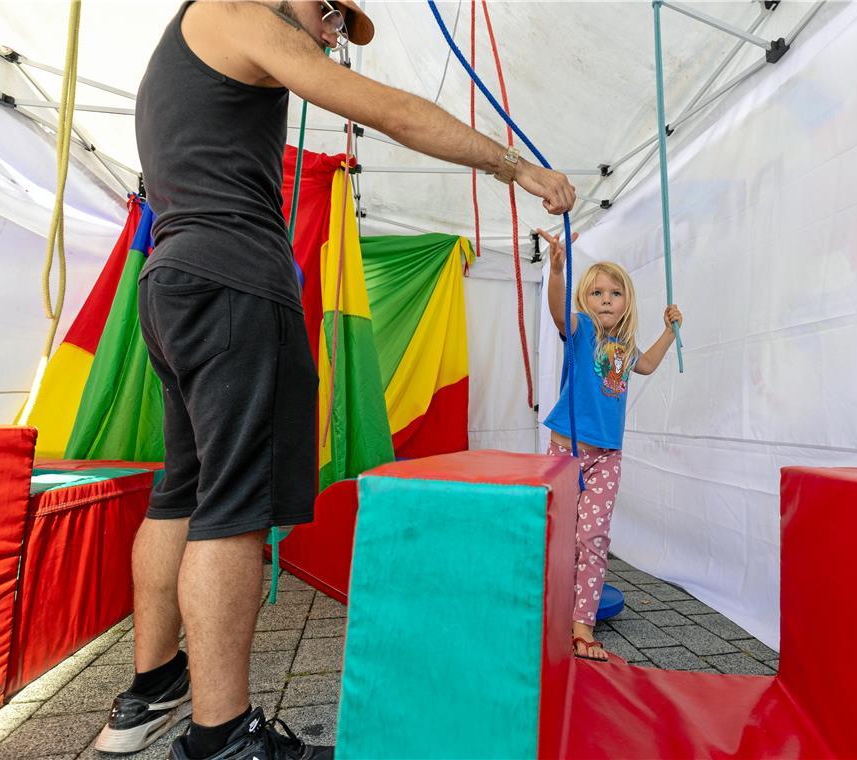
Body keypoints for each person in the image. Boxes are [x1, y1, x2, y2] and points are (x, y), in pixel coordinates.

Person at [93, 2, 576, 758]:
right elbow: (390, 109)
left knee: (182, 488)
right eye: (329, 16)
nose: (331, 35)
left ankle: (150, 689)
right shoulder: (238, 13)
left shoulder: (183, 46)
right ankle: (221, 737)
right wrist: (518, 168)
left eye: (341, 29)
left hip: (174, 277)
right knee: (234, 502)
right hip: (231, 281)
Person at [537, 229, 682, 663]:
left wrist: (670, 331)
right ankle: (547, 607)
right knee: (559, 533)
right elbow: (559, 313)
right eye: (597, 292)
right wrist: (558, 269)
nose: (605, 299)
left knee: (594, 535)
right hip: (567, 451)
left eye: (615, 293)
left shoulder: (624, 346)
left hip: (607, 457)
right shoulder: (579, 330)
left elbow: (649, 364)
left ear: (626, 302)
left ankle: (582, 624)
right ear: (585, 298)